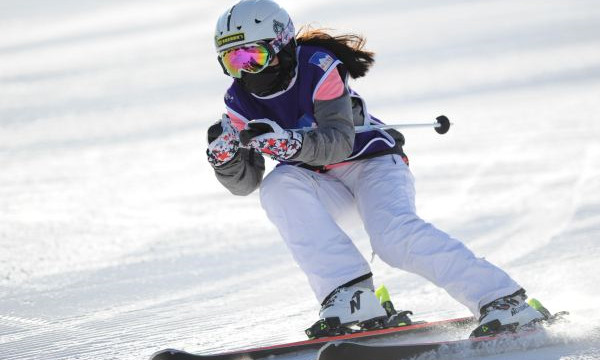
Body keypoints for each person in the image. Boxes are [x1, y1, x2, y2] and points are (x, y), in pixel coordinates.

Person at [206, 0, 545, 337]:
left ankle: (503, 299)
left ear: (281, 44)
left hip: (373, 165)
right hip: (324, 183)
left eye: (254, 57)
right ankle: (349, 294)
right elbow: (246, 184)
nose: (246, 71)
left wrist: (290, 143)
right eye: (233, 61)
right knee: (276, 187)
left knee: (392, 237)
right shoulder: (238, 102)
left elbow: (338, 139)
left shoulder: (318, 68)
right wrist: (227, 161)